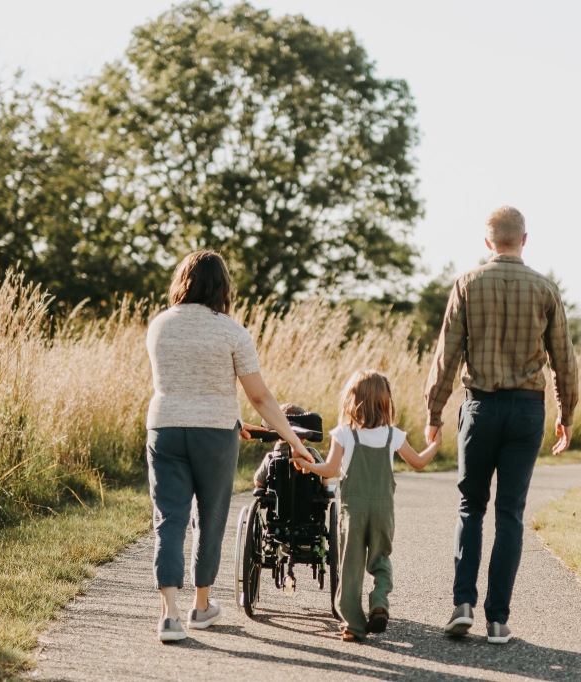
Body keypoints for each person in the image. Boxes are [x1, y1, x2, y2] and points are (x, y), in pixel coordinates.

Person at [424, 206, 579, 645]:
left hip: (481, 409)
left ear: (488, 241)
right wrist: (566, 414)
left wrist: (434, 413)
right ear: (524, 240)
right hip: (527, 411)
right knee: (509, 513)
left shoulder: (468, 284)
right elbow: (564, 359)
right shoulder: (545, 289)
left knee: (471, 507)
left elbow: (446, 356)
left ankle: (462, 605)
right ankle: (497, 620)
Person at [145, 250, 314, 643]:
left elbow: (179, 380)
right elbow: (259, 397)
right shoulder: (232, 331)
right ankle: (201, 608)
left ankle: (168, 616)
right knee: (210, 518)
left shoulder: (159, 326)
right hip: (215, 434)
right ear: (222, 286)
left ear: (182, 280)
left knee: (168, 520)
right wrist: (293, 440)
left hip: (165, 427)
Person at [299, 369, 441, 641]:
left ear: (352, 401)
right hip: (382, 511)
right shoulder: (393, 436)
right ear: (385, 401)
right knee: (381, 561)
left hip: (353, 511)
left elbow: (329, 470)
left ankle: (353, 626)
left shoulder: (344, 434)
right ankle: (379, 602)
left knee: (351, 567)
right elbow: (420, 462)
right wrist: (435, 445)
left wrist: (307, 464)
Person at [252, 403, 325, 488]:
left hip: (279, 499)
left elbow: (258, 482)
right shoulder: (311, 454)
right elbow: (325, 477)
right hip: (309, 499)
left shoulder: (271, 457)